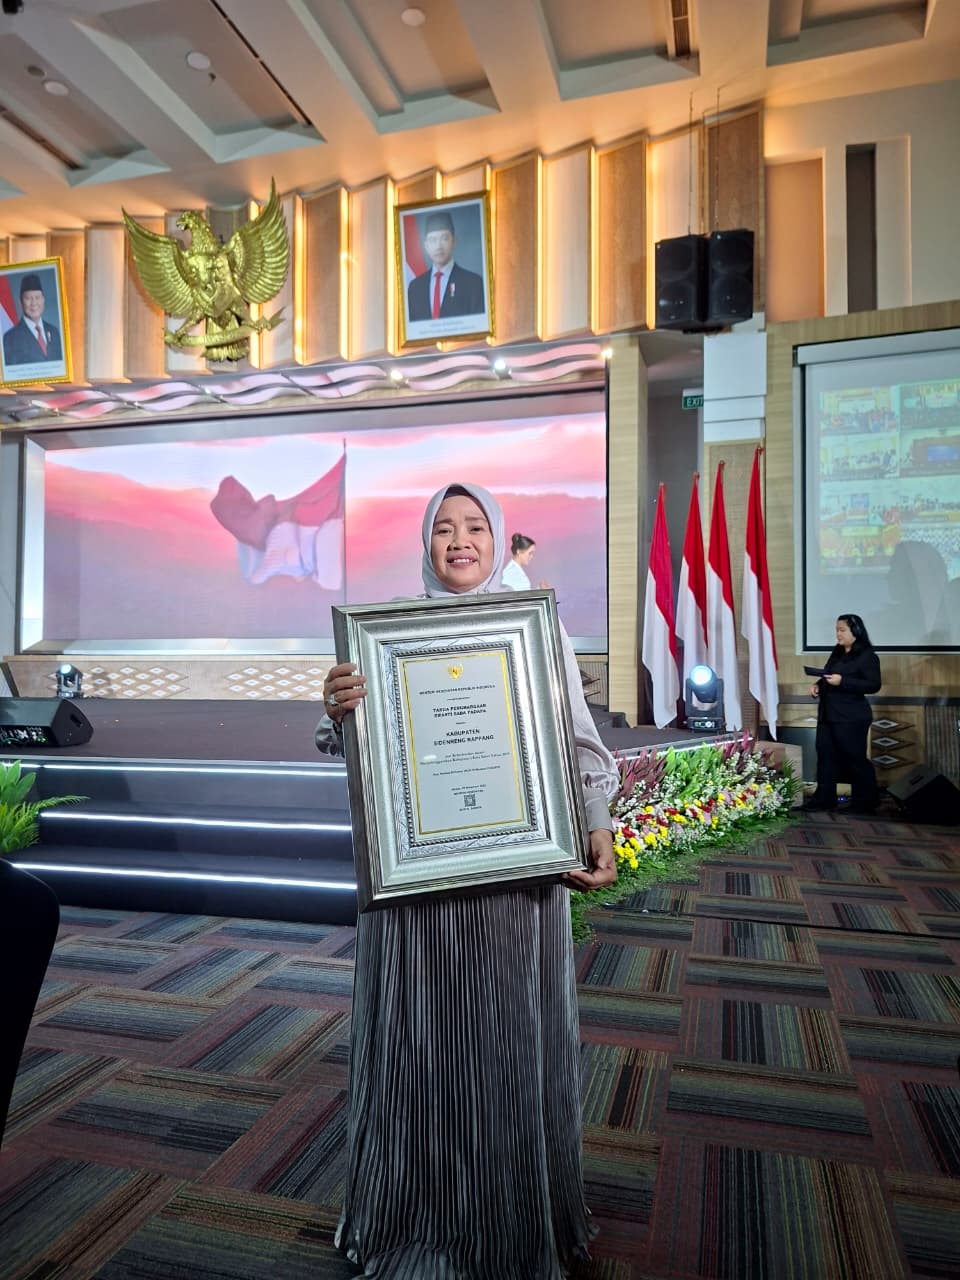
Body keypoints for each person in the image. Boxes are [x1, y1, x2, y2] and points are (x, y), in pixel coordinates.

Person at [317, 481, 618, 1278]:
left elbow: (578, 741)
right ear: (425, 541)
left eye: (476, 527)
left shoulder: (534, 629)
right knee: (422, 1050)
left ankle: (512, 1225)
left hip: (515, 882)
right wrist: (337, 707)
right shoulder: (384, 635)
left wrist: (595, 823)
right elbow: (348, 742)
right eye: (444, 528)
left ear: (497, 539)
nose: (460, 541)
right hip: (417, 889)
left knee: (505, 1047)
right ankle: (415, 1216)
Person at [805, 613, 881, 814]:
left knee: (854, 759)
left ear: (856, 631)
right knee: (825, 756)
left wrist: (843, 681)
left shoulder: (867, 656)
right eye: (836, 630)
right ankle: (824, 799)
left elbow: (874, 684)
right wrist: (818, 684)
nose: (838, 634)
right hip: (828, 714)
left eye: (842, 630)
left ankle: (865, 803)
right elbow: (828, 674)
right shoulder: (837, 652)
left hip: (851, 717)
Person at [407, 211, 485, 321]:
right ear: (426, 246)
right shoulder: (415, 287)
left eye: (444, 238)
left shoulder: (473, 283)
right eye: (433, 240)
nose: (438, 246)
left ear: (454, 241)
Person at [2, 273, 63, 365]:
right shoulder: (10, 338)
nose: (34, 303)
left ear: (43, 300)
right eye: (28, 298)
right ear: (20, 302)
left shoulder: (54, 332)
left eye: (37, 297)